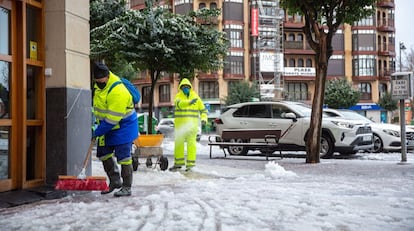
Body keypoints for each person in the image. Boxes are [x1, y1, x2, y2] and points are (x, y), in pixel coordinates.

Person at [92, 62, 139, 197]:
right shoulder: (99, 87)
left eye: (101, 81)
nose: (99, 83)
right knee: (103, 153)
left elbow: (113, 119)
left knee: (124, 157)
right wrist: (95, 126)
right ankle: (115, 181)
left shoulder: (118, 91)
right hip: (107, 126)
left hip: (124, 127)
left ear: (107, 76)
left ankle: (126, 186)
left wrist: (98, 131)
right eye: (97, 81)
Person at [170, 78, 208, 171]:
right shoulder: (178, 96)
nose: (185, 88)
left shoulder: (196, 97)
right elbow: (179, 104)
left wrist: (204, 119)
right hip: (180, 127)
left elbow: (203, 110)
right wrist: (189, 102)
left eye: (187, 87)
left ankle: (190, 165)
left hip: (191, 127)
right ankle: (178, 163)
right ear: (181, 88)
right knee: (179, 145)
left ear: (190, 87)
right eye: (183, 87)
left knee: (191, 145)